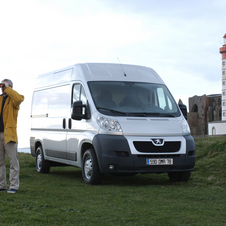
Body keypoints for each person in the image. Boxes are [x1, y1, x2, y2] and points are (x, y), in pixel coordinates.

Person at [0, 79, 24, 193]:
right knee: (0, 162)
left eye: (4, 86)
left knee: (13, 162)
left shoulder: (14, 100)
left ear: (10, 87)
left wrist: (8, 89)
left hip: (9, 134)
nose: (2, 88)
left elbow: (19, 98)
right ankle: (2, 185)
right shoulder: (0, 99)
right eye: (2, 86)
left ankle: (14, 186)